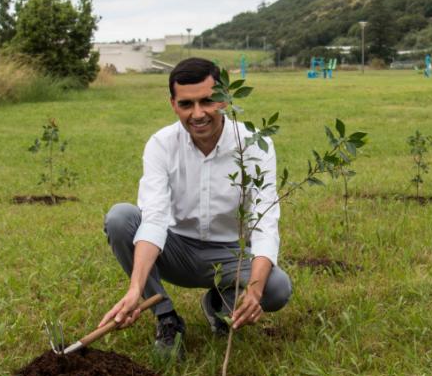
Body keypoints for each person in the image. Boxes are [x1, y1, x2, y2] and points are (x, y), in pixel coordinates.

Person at [99, 57, 293, 358]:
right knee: (121, 218)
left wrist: (254, 290)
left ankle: (218, 304)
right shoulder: (161, 144)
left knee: (277, 288)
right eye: (187, 104)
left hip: (230, 253)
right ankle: (166, 318)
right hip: (175, 249)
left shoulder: (254, 145)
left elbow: (264, 220)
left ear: (225, 99)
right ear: (173, 104)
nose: (198, 114)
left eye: (207, 101)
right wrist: (135, 289)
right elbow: (154, 219)